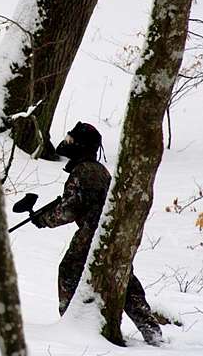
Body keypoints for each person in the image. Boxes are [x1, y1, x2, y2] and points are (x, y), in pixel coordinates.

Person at [30, 121, 162, 346]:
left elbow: (71, 208)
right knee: (124, 279)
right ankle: (152, 331)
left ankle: (72, 326)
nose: (67, 143)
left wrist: (44, 219)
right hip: (113, 233)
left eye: (72, 140)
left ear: (81, 146)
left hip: (92, 233)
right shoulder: (100, 170)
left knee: (69, 271)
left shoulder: (83, 171)